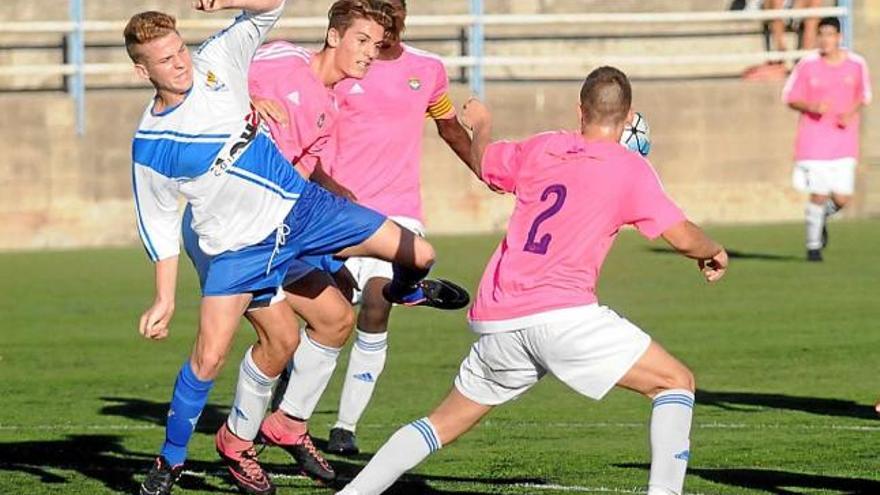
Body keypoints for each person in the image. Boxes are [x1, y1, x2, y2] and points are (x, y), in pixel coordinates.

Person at [335, 66, 729, 495]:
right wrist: (714, 252)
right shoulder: (629, 168)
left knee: (441, 424)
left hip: (499, 319)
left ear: (579, 110)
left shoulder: (545, 147)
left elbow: (486, 166)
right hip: (564, 316)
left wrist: (482, 125)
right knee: (675, 382)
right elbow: (682, 235)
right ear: (629, 115)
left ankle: (354, 493)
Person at [126, 2, 465, 494]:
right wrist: (164, 298)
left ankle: (401, 294)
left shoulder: (215, 62)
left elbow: (271, 7)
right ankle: (173, 458)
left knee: (408, 262)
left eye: (180, 50)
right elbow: (157, 221)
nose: (181, 64)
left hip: (299, 208)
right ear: (143, 71)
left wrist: (223, 6)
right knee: (217, 356)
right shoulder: (152, 144)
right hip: (238, 244)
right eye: (165, 60)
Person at [324, 0, 474, 455]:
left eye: (395, 12)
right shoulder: (347, 66)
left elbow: (448, 126)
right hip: (334, 210)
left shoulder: (428, 69)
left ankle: (344, 426)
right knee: (327, 316)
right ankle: (290, 395)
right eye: (379, 12)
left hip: (399, 212)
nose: (388, 22)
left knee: (376, 303)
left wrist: (490, 170)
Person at [782, 16, 871, 261]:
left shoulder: (856, 63)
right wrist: (811, 105)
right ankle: (813, 248)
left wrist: (849, 113)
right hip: (814, 141)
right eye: (821, 34)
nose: (825, 39)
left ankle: (821, 220)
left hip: (844, 141)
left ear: (839, 37)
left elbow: (864, 95)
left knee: (842, 198)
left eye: (830, 34)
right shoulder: (808, 64)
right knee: (819, 194)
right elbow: (789, 97)